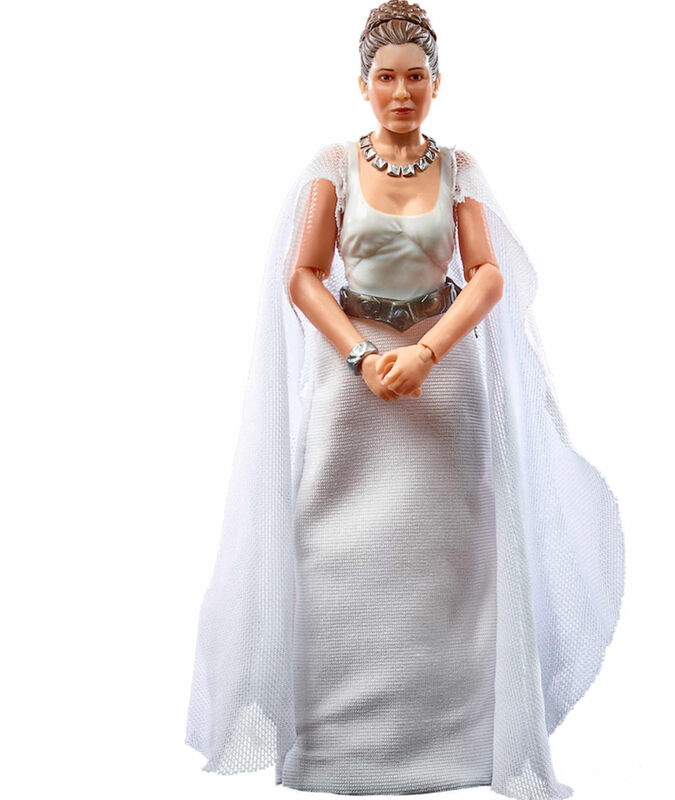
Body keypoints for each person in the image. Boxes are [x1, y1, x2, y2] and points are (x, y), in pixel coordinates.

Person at [185, 3, 625, 800]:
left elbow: (486, 274)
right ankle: (333, 745)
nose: (400, 93)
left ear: (436, 84)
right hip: (352, 379)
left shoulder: (458, 169)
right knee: (331, 545)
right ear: (363, 85)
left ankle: (459, 740)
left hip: (442, 376)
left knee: (454, 551)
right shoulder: (332, 166)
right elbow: (302, 275)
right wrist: (361, 357)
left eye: (414, 77)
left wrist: (427, 352)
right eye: (385, 77)